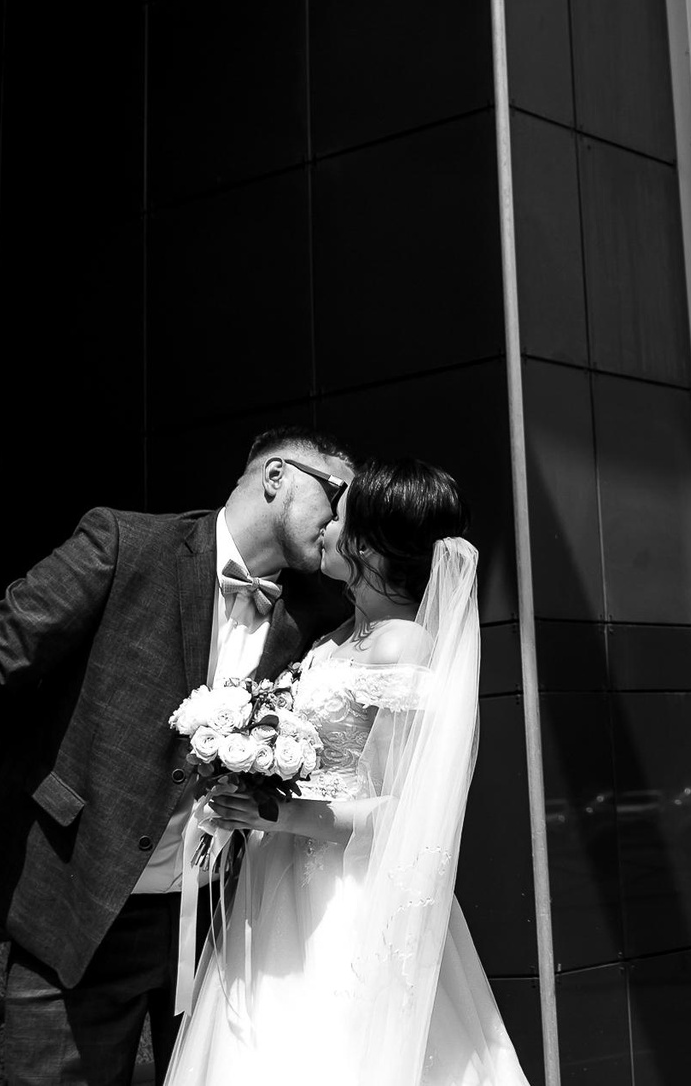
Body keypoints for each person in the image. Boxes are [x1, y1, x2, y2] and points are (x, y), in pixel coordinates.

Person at [0, 430, 357, 1086]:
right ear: (277, 476)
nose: (343, 515)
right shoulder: (125, 545)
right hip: (81, 902)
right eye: (336, 492)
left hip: (221, 920)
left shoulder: (319, 610)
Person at [162, 458, 528, 1086]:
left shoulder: (399, 645)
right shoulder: (340, 633)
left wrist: (275, 811)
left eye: (341, 518)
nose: (327, 527)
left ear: (372, 548)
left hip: (345, 898)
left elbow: (401, 811)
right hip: (279, 877)